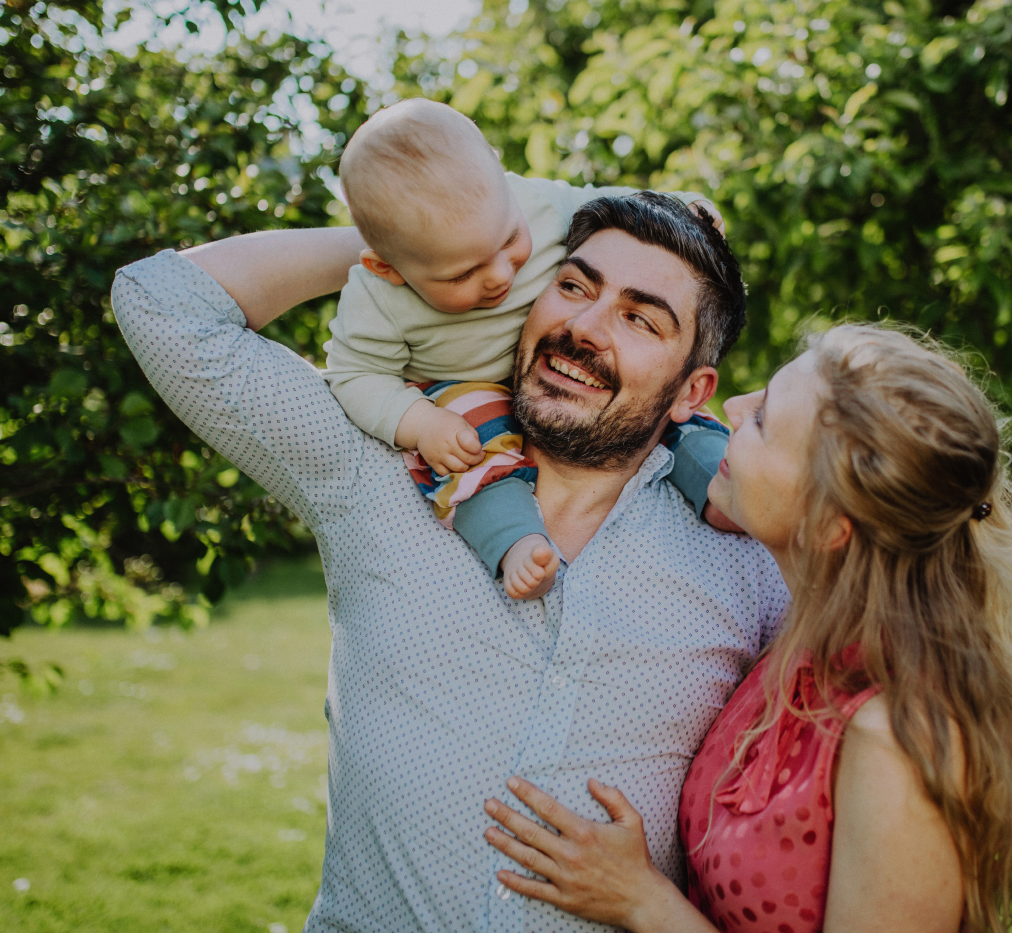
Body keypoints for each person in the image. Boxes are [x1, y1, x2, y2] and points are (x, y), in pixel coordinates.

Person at [111, 191, 789, 933]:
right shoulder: (382, 467)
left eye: (639, 317)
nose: (583, 327)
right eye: (573, 285)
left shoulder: (753, 557)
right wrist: (428, 243)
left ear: (694, 391)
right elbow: (160, 302)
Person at [482, 325, 1012, 933]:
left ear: (828, 525)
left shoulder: (899, 737)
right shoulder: (801, 645)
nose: (734, 408)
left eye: (764, 420)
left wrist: (644, 903)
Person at [326, 99, 733, 598]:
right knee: (466, 452)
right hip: (466, 393)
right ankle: (513, 541)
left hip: (583, 387)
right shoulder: (376, 298)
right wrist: (419, 422)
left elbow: (619, 210)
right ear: (385, 267)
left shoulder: (533, 203)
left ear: (504, 177)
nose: (500, 275)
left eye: (510, 240)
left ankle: (728, 488)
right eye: (461, 272)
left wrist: (685, 204)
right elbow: (353, 375)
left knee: (682, 423)